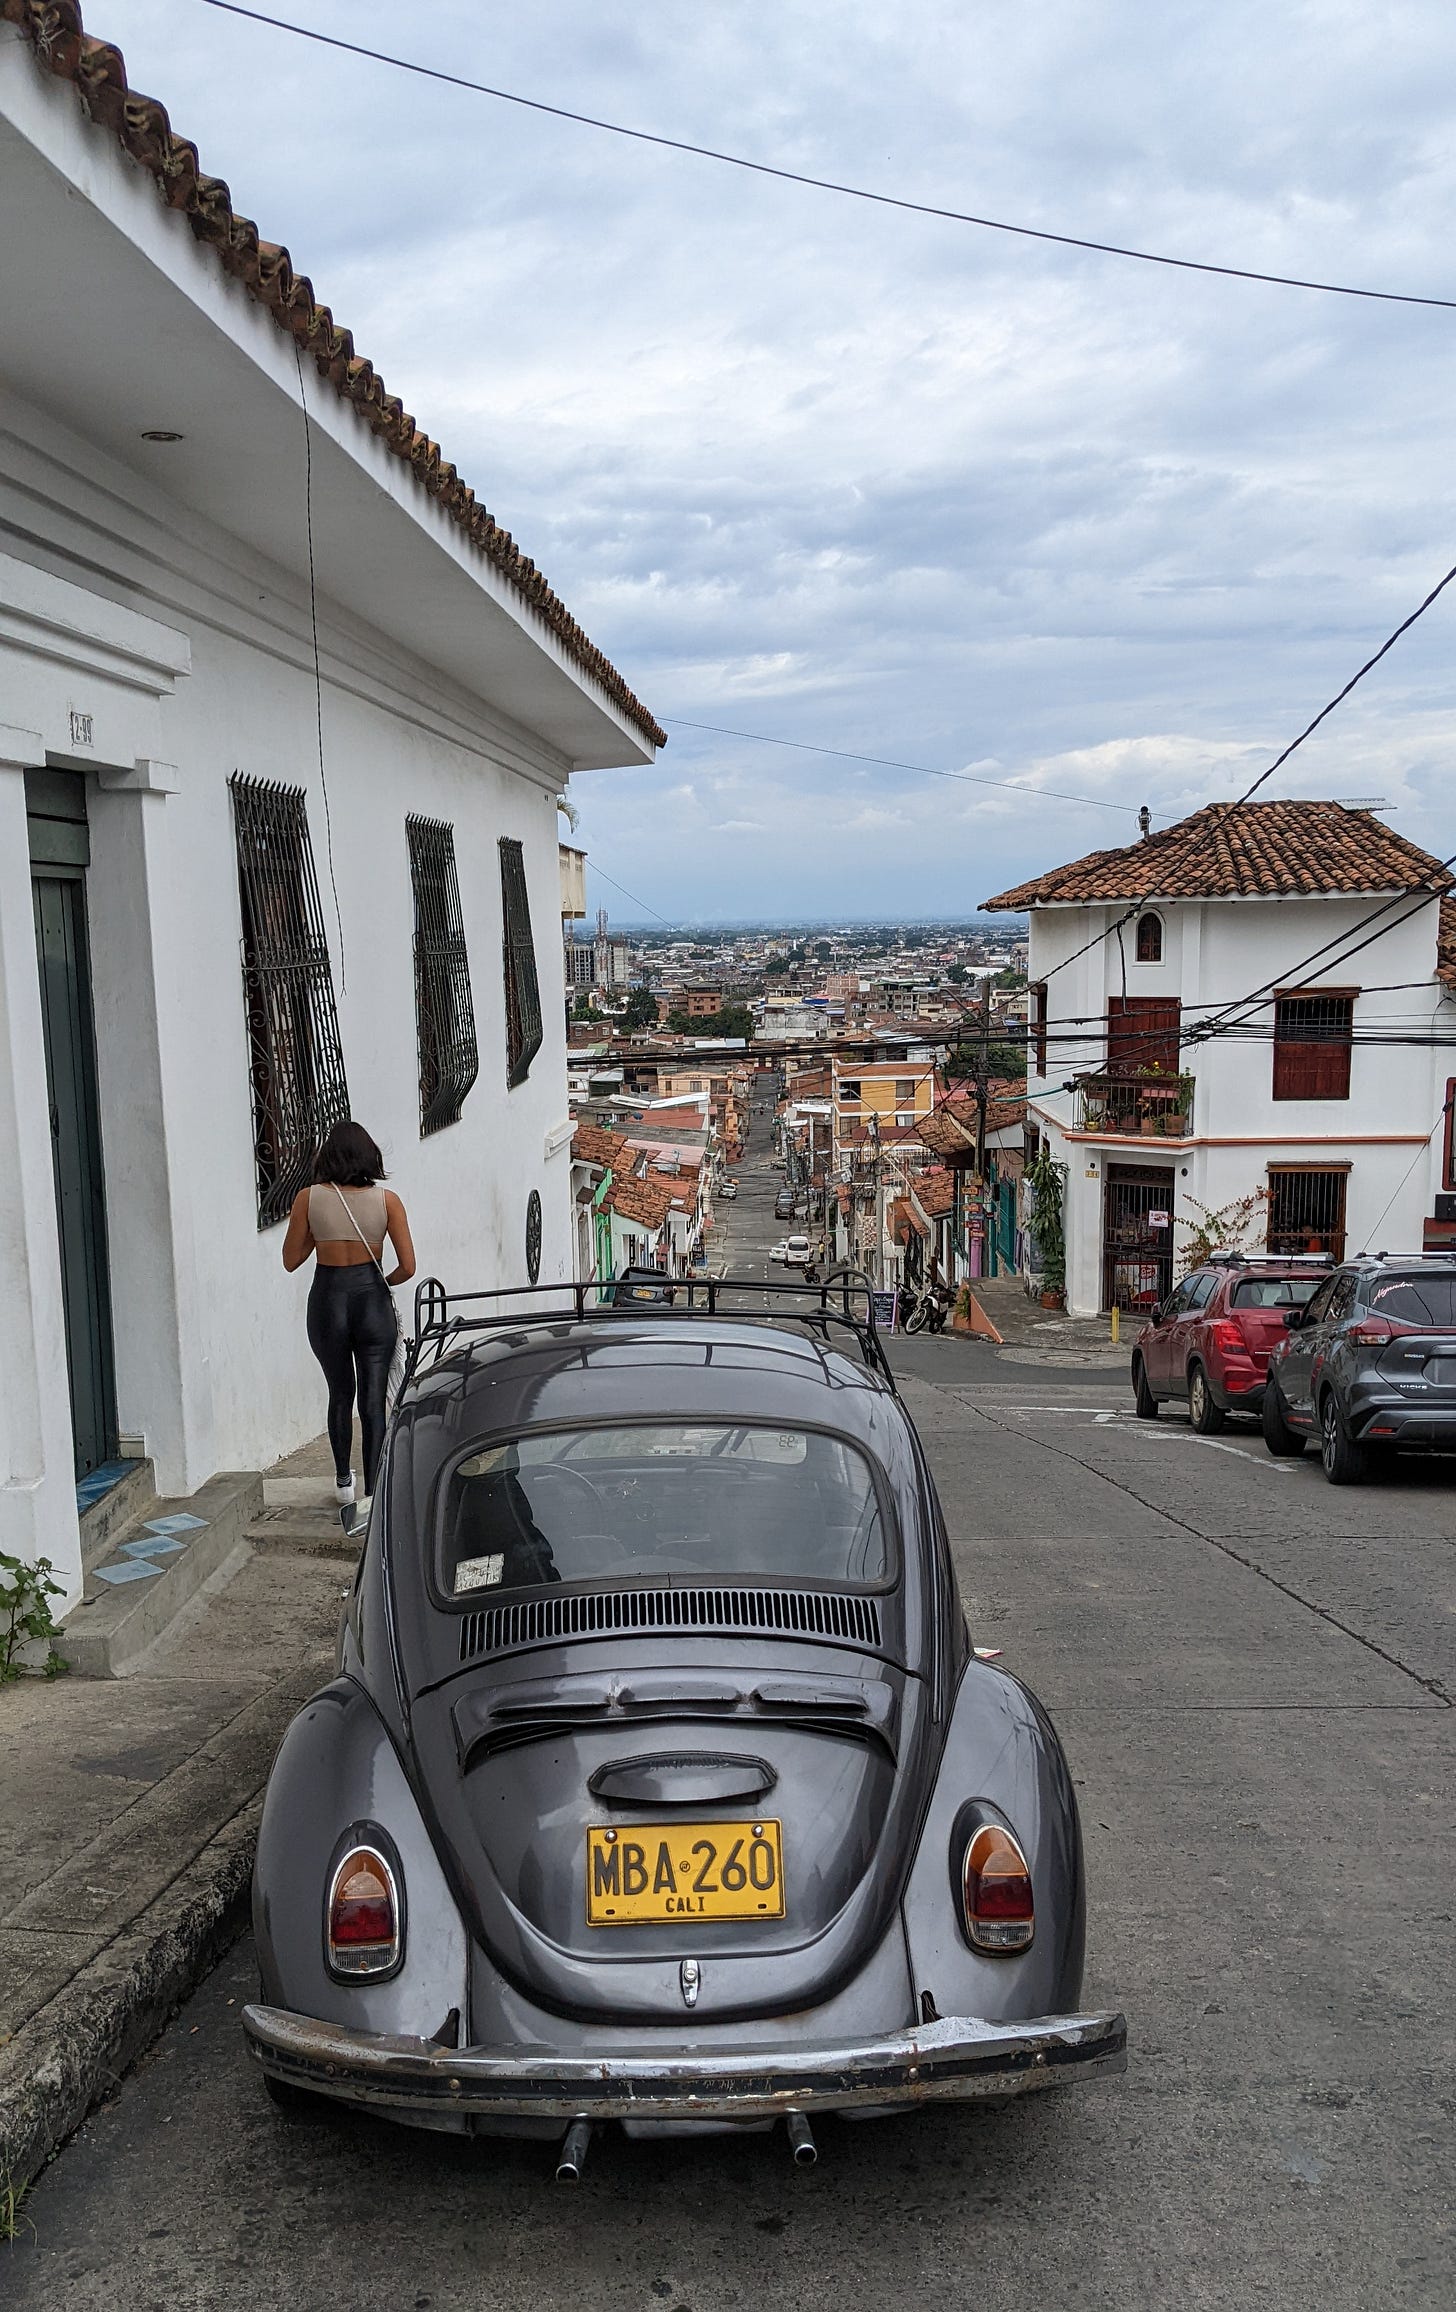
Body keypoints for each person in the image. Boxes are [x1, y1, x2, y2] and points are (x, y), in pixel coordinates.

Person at [281, 1120, 416, 1505]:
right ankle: (373, 1494)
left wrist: (320, 1231)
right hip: (372, 1301)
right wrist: (380, 1282)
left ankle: (343, 1483)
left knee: (340, 1392)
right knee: (373, 1399)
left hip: (328, 1301)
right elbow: (408, 1267)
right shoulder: (388, 1202)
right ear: (370, 1156)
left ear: (328, 1156)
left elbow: (291, 1260)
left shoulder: (308, 1199)